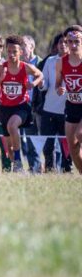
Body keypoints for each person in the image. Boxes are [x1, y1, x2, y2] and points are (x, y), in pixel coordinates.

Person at [0, 35, 43, 171]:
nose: (12, 55)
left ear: (21, 53)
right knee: (9, 149)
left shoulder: (26, 67)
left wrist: (33, 83)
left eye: (15, 52)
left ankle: (18, 161)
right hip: (4, 109)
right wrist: (0, 80)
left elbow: (40, 75)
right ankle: (17, 167)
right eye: (9, 51)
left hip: (21, 107)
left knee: (13, 126)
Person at [40, 33, 70, 172]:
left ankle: (66, 169)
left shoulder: (76, 61)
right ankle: (49, 169)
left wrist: (67, 90)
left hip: (68, 110)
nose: (62, 45)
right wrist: (40, 84)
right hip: (49, 108)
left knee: (67, 143)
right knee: (48, 143)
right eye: (60, 42)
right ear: (56, 45)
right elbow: (45, 83)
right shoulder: (50, 61)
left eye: (65, 42)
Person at [56, 25, 82, 173]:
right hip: (72, 105)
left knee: (80, 134)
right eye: (70, 42)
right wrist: (59, 88)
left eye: (77, 42)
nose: (73, 45)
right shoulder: (61, 62)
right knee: (72, 145)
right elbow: (58, 83)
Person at [20, 35, 41, 172]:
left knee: (47, 139)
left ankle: (54, 167)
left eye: (24, 45)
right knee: (28, 139)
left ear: (32, 47)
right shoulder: (19, 64)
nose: (21, 49)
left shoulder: (40, 62)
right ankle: (34, 167)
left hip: (40, 107)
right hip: (25, 106)